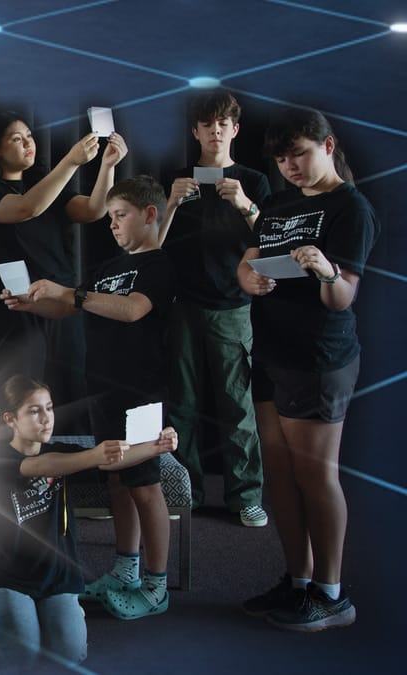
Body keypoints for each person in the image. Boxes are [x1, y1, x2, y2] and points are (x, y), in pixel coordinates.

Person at [3, 176, 175, 620]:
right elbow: (68, 306)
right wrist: (33, 303)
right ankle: (125, 570)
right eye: (111, 217)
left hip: (143, 392)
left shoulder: (160, 264)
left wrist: (71, 293)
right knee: (117, 477)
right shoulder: (108, 267)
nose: (112, 225)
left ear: (149, 215)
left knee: (145, 484)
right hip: (105, 388)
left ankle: (157, 585)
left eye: (120, 216)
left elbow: (133, 308)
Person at [238, 108, 377, 632]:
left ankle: (332, 593)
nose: (289, 165)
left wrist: (325, 270)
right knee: (279, 477)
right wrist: (247, 277)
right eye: (281, 157)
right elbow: (251, 257)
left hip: (318, 357)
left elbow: (341, 298)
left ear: (328, 145)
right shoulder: (276, 201)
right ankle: (297, 582)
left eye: (299, 153)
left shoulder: (350, 208)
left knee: (315, 476)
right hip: (271, 352)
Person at [0, 375, 177, 668]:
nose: (47, 419)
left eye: (50, 407)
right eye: (35, 411)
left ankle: (56, 613)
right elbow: (42, 466)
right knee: (22, 657)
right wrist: (92, 456)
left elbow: (115, 461)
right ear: (11, 419)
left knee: (69, 653)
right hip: (11, 578)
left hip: (59, 577)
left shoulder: (60, 450)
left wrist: (157, 446)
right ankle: (0, 609)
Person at [160, 91, 270, 525]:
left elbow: (274, 236)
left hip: (232, 305)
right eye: (207, 124)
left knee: (237, 407)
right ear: (196, 132)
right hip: (182, 304)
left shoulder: (253, 182)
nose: (215, 131)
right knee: (182, 405)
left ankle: (245, 497)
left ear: (235, 129)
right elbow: (152, 245)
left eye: (223, 123)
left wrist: (245, 205)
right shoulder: (178, 179)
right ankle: (184, 491)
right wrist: (170, 202)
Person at [0, 112, 127, 414]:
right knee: (23, 394)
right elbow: (27, 208)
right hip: (18, 308)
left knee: (70, 388)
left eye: (29, 137)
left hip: (62, 300)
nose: (28, 144)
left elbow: (94, 209)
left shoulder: (47, 184)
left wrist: (107, 166)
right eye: (16, 139)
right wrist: (71, 161)